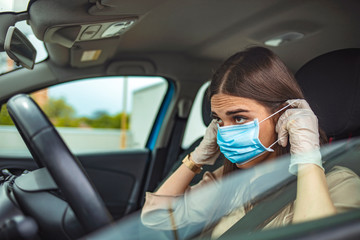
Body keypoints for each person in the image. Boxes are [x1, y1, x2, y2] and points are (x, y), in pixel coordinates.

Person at [141, 46, 360, 238]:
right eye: (219, 120)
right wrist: (197, 158)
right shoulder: (228, 180)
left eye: (239, 118)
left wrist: (306, 157)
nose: (225, 132)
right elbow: (156, 219)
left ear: (283, 115)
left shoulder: (340, 183)